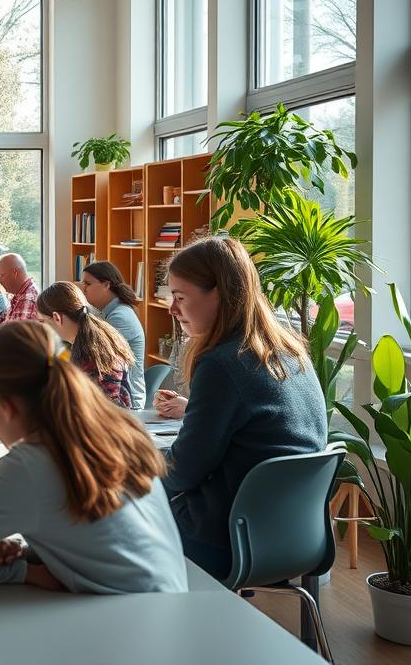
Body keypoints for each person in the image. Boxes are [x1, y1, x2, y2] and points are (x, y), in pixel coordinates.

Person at [0, 320, 187, 593]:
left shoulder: (29, 465)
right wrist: (31, 553)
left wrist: (27, 573)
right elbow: (106, 539)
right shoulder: (119, 431)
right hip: (169, 609)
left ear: (7, 408)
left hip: (123, 622)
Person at [155, 236, 326, 579]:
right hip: (296, 537)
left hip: (226, 540)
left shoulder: (222, 363)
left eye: (180, 297)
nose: (173, 309)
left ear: (216, 292)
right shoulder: (290, 351)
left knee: (121, 509)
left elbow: (184, 471)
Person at [35, 282, 136, 410]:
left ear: (56, 318)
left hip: (106, 424)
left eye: (43, 321)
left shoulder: (90, 351)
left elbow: (90, 408)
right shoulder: (93, 338)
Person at [80, 262, 147, 410]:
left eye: (88, 283)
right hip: (115, 394)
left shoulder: (119, 316)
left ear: (106, 285)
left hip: (127, 401)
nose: (82, 288)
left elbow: (97, 360)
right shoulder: (106, 311)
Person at [0, 253, 40, 323]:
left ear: (14, 273)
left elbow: (17, 333)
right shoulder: (18, 295)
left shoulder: (28, 298)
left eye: (1, 275)